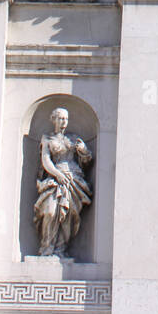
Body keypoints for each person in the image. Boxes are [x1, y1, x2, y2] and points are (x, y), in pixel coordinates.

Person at [34, 107, 93, 256]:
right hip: (55, 178)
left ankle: (60, 249)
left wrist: (84, 150)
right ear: (53, 119)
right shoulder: (47, 138)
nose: (63, 122)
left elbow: (87, 161)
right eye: (60, 118)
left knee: (69, 215)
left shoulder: (73, 138)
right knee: (50, 211)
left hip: (73, 179)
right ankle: (47, 248)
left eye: (66, 119)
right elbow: (46, 160)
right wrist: (57, 174)